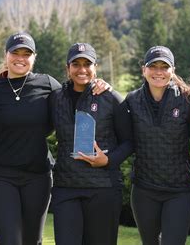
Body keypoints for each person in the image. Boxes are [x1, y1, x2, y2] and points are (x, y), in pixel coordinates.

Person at [0, 33, 110, 245]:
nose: (20, 58)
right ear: (6, 55)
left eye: (26, 53)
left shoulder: (48, 84)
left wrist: (98, 84)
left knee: (33, 240)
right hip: (2, 177)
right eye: (15, 53)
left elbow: (75, 97)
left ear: (34, 57)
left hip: (38, 176)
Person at [49, 42, 132, 245]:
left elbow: (130, 142)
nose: (82, 69)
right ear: (68, 68)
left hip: (103, 188)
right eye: (76, 64)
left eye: (88, 64)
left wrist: (108, 160)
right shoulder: (55, 98)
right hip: (66, 188)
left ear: (95, 67)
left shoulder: (110, 97)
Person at [125, 46, 190, 245]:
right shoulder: (132, 101)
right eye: (153, 66)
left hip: (179, 191)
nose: (158, 72)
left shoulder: (187, 99)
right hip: (144, 191)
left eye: (164, 67)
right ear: (144, 70)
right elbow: (125, 141)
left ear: (172, 70)